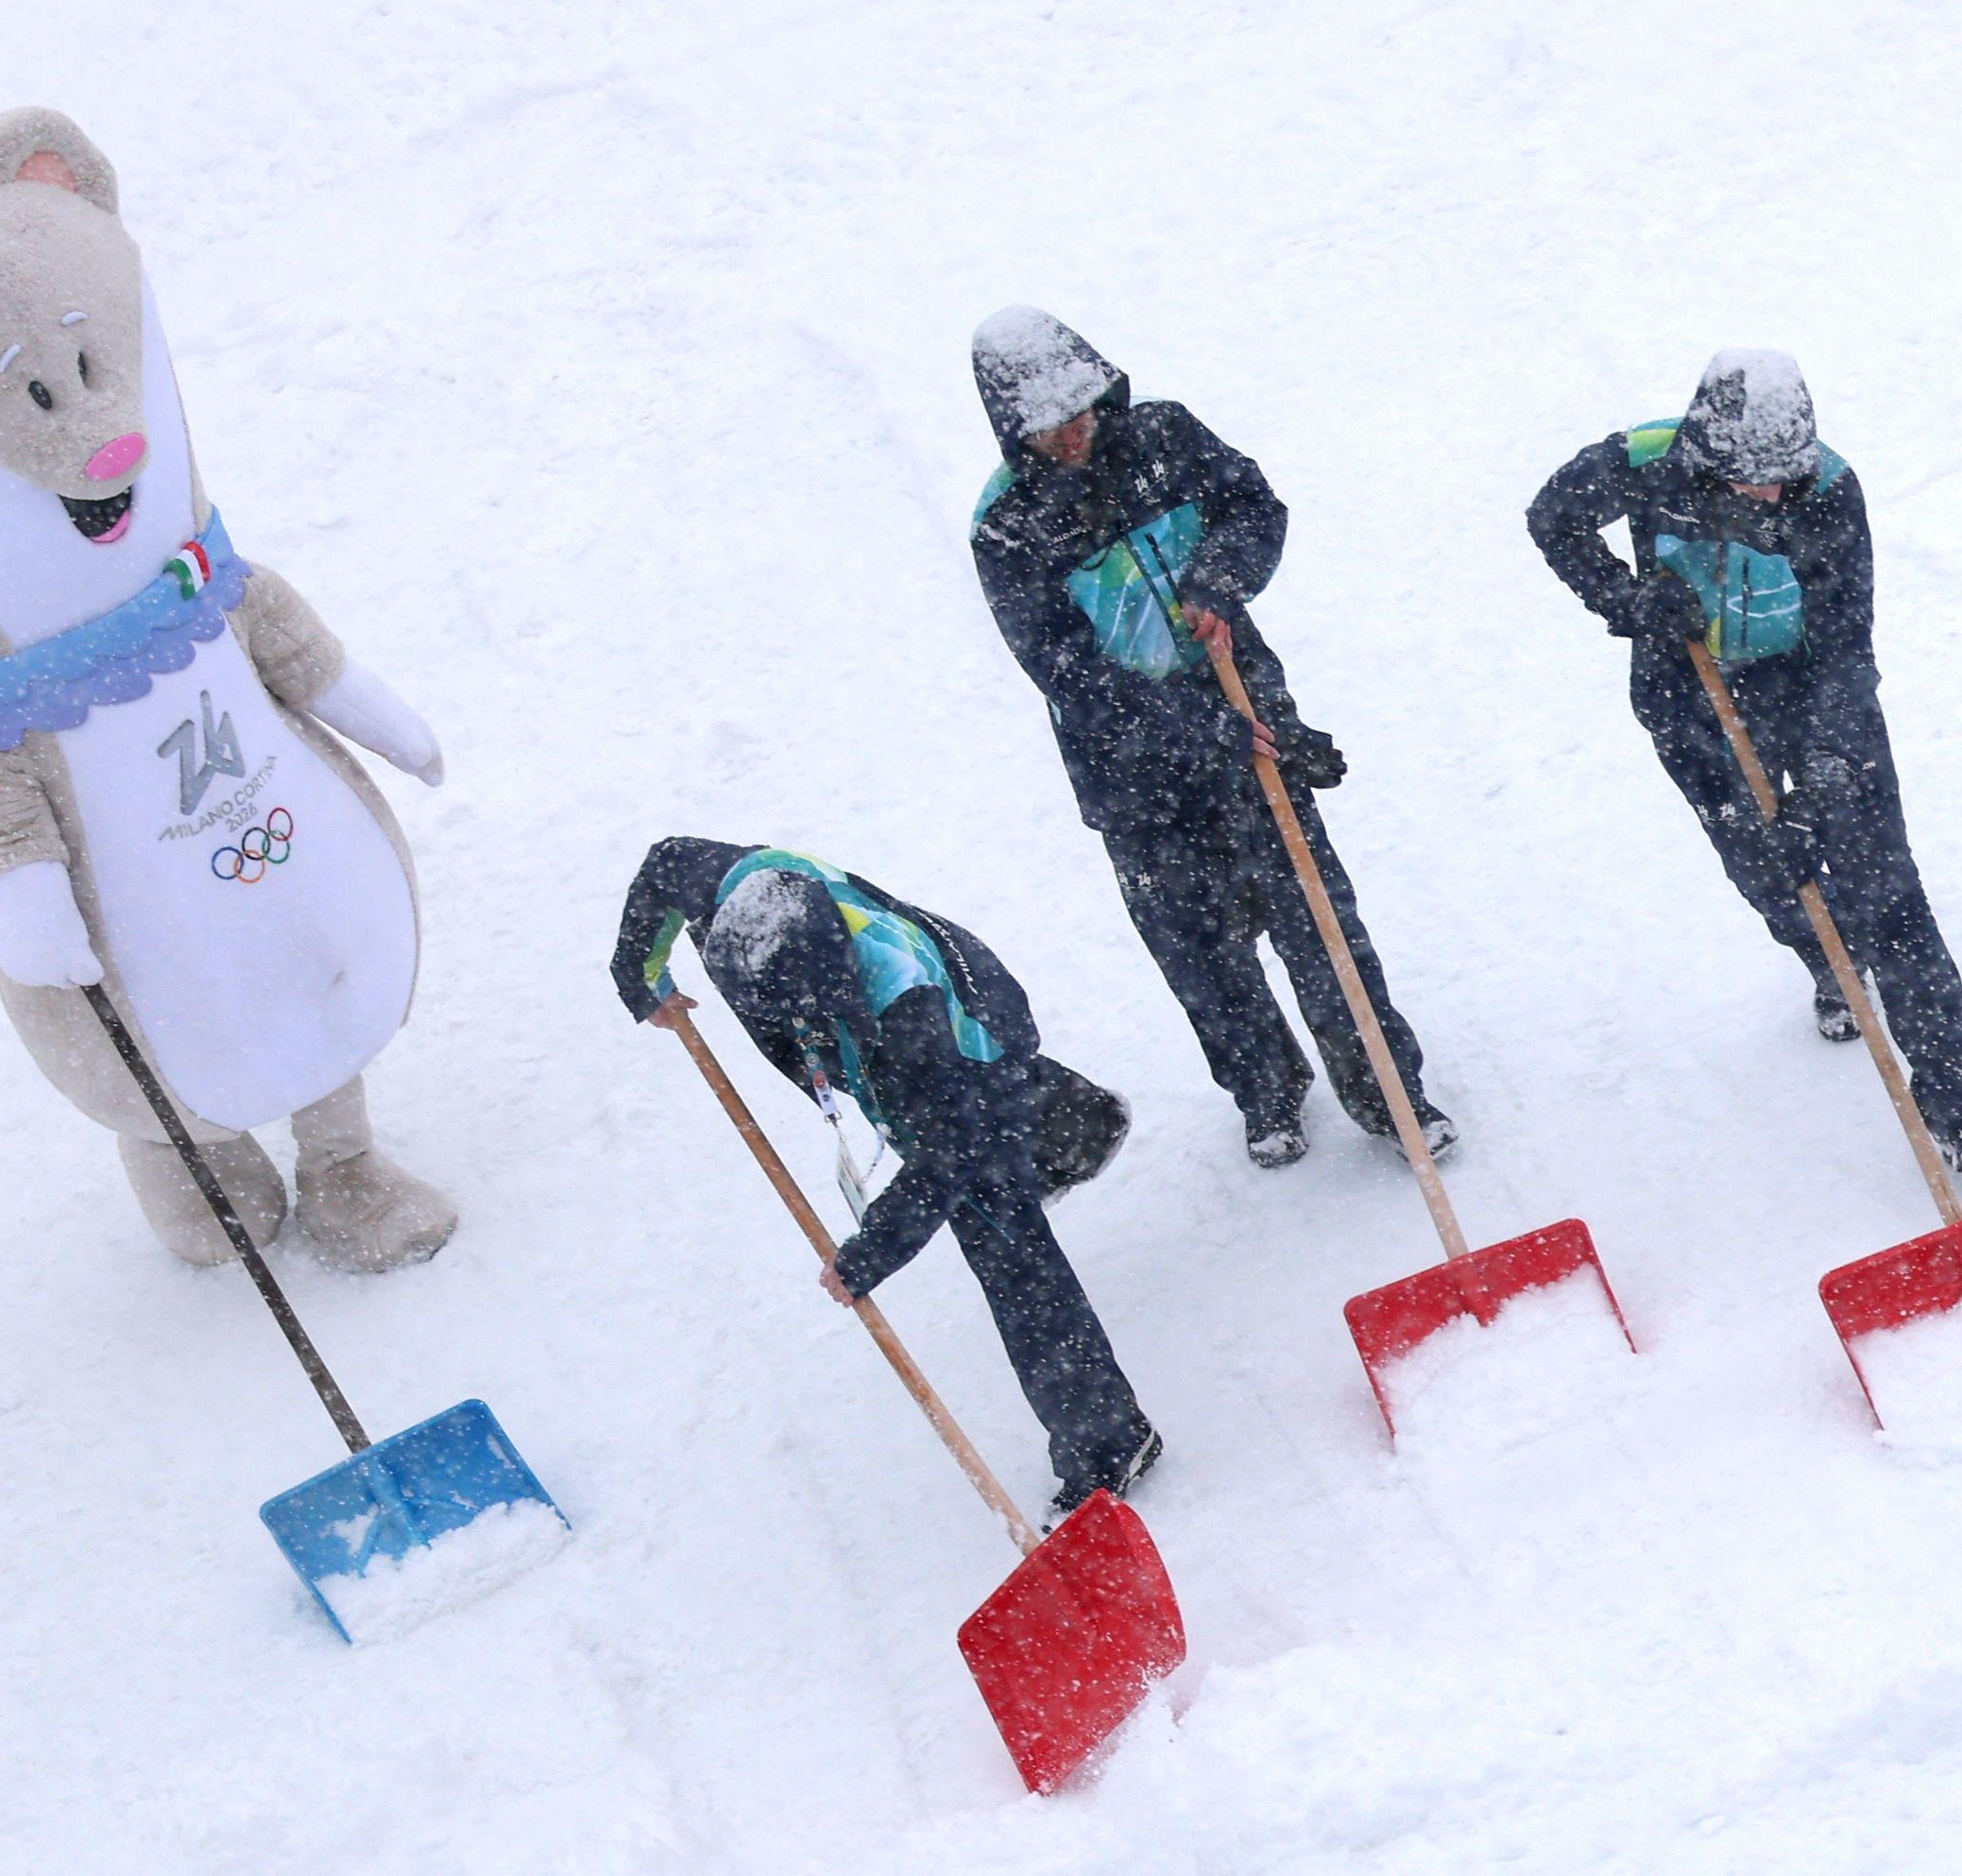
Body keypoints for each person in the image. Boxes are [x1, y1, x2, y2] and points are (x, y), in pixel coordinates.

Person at [966, 307, 1451, 1171]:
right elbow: (1064, 668)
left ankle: (1388, 1090)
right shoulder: (1006, 526)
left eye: (1079, 412)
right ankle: (1266, 1092)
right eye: (1047, 427)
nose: (1071, 436)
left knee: (1317, 919)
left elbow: (1254, 506)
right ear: (1012, 429)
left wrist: (1218, 579)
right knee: (1203, 952)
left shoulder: (1165, 437)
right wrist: (1196, 728)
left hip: (1246, 710)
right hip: (1130, 771)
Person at [1525, 350, 1962, 1172]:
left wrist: (1824, 780)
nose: (1769, 494)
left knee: (1887, 891)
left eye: (1782, 478)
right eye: (1751, 479)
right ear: (1707, 451)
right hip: (1691, 694)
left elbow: (1847, 648)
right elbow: (1552, 519)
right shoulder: (1645, 461)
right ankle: (1830, 963)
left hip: (1810, 685)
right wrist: (1629, 599)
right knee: (1765, 869)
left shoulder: (1829, 489)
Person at [612, 835, 1160, 1517]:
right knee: (983, 1113)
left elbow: (945, 1157)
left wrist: (868, 1254)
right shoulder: (725, 889)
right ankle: (1082, 1125)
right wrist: (638, 977)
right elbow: (661, 863)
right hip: (925, 1060)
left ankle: (1111, 1442)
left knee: (1007, 1244)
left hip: (972, 1025)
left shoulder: (910, 1016)